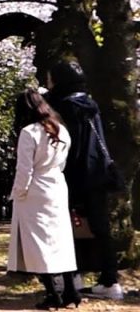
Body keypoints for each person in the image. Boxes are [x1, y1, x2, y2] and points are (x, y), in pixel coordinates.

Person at [45, 60, 123, 300]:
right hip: (97, 172)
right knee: (101, 228)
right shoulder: (90, 103)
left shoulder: (61, 106)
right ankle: (110, 280)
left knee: (65, 226)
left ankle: (71, 276)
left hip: (72, 173)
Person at [8, 89, 80, 310]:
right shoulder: (62, 131)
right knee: (61, 242)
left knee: (38, 245)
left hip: (35, 192)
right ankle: (71, 289)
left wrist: (18, 193)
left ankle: (52, 292)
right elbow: (63, 164)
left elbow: (24, 170)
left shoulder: (29, 133)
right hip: (57, 187)